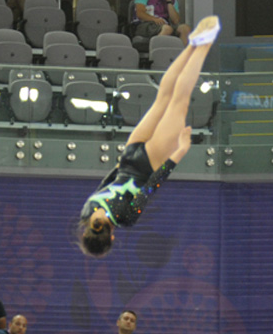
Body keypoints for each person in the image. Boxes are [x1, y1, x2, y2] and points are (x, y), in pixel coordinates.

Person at [78, 17, 219, 257]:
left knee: (179, 101)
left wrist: (180, 151)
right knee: (163, 95)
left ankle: (203, 45)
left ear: (111, 238)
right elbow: (108, 180)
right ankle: (191, 46)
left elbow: (152, 185)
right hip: (129, 156)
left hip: (148, 164)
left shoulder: (125, 219)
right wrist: (125, 163)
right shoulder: (87, 212)